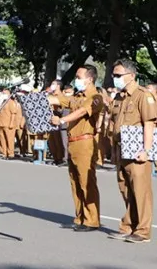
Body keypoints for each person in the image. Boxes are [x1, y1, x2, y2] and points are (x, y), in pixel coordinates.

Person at [48, 65, 104, 232]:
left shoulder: (96, 97)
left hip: (85, 142)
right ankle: (80, 217)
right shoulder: (77, 96)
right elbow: (59, 100)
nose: (76, 80)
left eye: (79, 77)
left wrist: (63, 121)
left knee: (87, 182)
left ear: (89, 79)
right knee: (75, 182)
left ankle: (92, 220)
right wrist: (38, 98)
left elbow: (81, 112)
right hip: (73, 142)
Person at [107, 59, 156, 243]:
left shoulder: (143, 95)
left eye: (118, 75)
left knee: (141, 191)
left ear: (131, 75)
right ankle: (128, 225)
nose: (115, 78)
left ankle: (143, 231)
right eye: (114, 75)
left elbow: (149, 124)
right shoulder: (119, 97)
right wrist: (113, 151)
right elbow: (114, 124)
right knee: (126, 189)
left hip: (138, 151)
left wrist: (147, 150)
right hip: (121, 149)